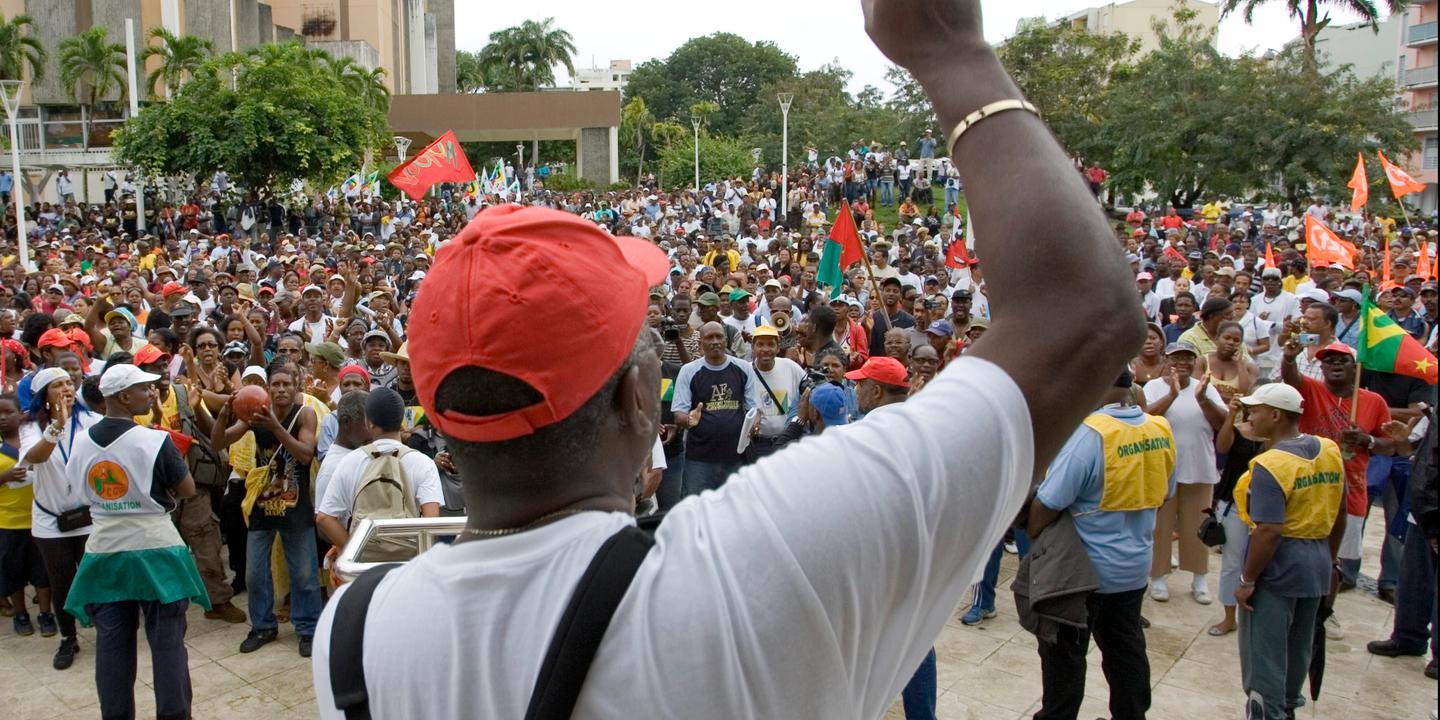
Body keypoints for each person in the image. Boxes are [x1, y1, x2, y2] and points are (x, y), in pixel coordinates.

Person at [308, 4, 1146, 712]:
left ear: (430, 406)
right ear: (642, 393)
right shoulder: (762, 568)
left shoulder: (351, 639)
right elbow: (1087, 310)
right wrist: (948, 47)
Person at [1026, 368, 1176, 720]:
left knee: (1065, 656)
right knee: (1126, 650)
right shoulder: (1159, 429)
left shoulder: (1092, 434)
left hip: (1083, 572)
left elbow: (1049, 500)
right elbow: (1166, 491)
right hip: (1134, 566)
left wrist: (1036, 534)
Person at [63, 364, 208, 720]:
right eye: (145, 389)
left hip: (105, 551)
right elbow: (187, 488)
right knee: (168, 645)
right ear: (124, 397)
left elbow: (78, 491)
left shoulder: (79, 441)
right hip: (156, 548)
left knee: (112, 647)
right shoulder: (154, 439)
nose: (152, 394)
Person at [1230, 383, 1346, 720]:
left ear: (1276, 415)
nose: (1250, 415)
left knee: (1264, 664)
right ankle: (1289, 709)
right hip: (1316, 564)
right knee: (1299, 648)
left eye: (1256, 409)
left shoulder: (1270, 464)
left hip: (1278, 567)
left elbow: (1269, 530)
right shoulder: (1329, 450)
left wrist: (1247, 579)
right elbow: (1340, 511)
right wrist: (1331, 558)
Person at [1280, 340, 1392, 638]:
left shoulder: (1374, 402)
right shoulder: (1313, 390)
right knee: (1296, 547)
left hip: (1350, 490)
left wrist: (1367, 440)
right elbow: (1291, 379)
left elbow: (1392, 445)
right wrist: (1289, 358)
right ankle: (1293, 605)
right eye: (1329, 361)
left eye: (1342, 360)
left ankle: (1324, 612)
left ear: (1355, 367)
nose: (1335, 365)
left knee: (1334, 560)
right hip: (1307, 485)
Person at [212, 358, 322, 657]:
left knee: (304, 575)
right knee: (254, 574)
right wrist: (223, 417)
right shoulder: (255, 414)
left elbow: (304, 454)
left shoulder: (305, 414)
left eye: (287, 384)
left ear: (296, 386)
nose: (282, 389)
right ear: (268, 389)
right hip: (262, 506)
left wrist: (275, 428)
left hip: (296, 506)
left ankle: (308, 628)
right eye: (276, 384)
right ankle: (262, 626)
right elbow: (219, 442)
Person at [20, 368, 99, 669]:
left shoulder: (91, 421)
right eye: (57, 385)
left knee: (95, 575)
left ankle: (106, 629)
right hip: (50, 519)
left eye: (69, 382)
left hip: (88, 516)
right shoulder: (30, 427)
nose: (66, 388)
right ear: (43, 395)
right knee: (61, 581)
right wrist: (57, 426)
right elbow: (35, 457)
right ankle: (68, 637)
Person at [1142, 342, 1226, 604]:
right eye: (1177, 357)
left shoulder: (1206, 387)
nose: (1183, 363)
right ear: (1167, 360)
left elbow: (1223, 423)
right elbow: (1144, 419)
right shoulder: (1153, 387)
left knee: (1197, 527)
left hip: (1199, 468)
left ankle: (1199, 577)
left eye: (1188, 358)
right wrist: (1172, 395)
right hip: (1162, 470)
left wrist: (1203, 399)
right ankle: (1157, 577)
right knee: (1160, 528)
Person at [314, 387, 443, 548]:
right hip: (407, 564)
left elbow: (324, 518)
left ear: (369, 422)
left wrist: (352, 551)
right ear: (401, 421)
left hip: (362, 568)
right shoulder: (423, 463)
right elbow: (431, 521)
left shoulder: (350, 461)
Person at [670, 321, 762, 497]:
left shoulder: (743, 368)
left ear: (725, 340)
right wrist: (689, 420)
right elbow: (678, 414)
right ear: (700, 343)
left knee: (736, 509)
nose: (715, 341)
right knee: (696, 510)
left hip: (736, 456)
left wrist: (756, 423)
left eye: (719, 336)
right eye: (709, 337)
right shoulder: (688, 371)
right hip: (699, 459)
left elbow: (754, 409)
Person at [746, 325, 807, 461]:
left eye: (770, 344)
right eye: (760, 344)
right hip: (759, 444)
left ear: (778, 348)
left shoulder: (790, 367)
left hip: (788, 441)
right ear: (753, 347)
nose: (766, 349)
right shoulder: (745, 372)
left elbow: (807, 391)